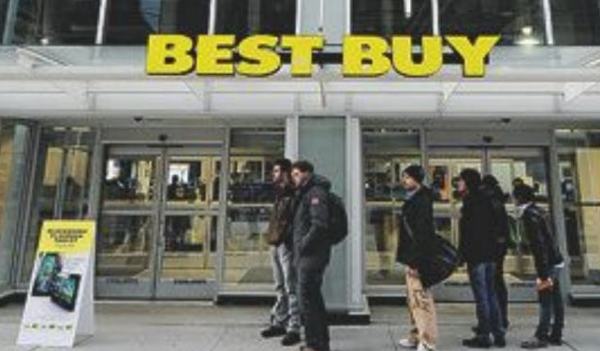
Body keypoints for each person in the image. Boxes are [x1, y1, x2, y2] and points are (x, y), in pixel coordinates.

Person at [513, 184, 565, 349]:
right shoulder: (540, 211)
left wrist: (542, 272)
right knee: (555, 299)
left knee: (545, 300)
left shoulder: (529, 215)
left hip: (547, 263)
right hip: (556, 260)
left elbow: (539, 244)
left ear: (519, 198)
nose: (513, 200)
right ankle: (556, 334)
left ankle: (541, 336)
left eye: (514, 197)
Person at [458, 169, 505, 348]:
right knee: (491, 294)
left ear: (468, 182)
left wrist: (462, 254)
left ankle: (484, 335)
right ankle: (499, 333)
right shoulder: (489, 199)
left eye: (461, 180)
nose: (458, 183)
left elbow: (468, 232)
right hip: (491, 254)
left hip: (476, 255)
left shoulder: (471, 201)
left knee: (481, 296)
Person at [396, 165, 438, 351]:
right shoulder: (414, 198)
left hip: (418, 259)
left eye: (407, 177)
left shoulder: (421, 201)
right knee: (412, 301)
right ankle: (416, 336)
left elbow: (421, 233)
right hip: (411, 257)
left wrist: (414, 261)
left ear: (416, 179)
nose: (404, 180)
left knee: (421, 300)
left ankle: (428, 341)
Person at [291, 160, 332, 351]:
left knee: (308, 302)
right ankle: (319, 343)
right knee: (313, 300)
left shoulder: (315, 193)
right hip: (309, 255)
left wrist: (302, 245)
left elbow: (319, 224)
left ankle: (315, 345)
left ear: (308, 173)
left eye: (297, 174)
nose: (294, 178)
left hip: (312, 255)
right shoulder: (307, 192)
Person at [261, 159, 301, 346]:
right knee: (279, 285)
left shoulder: (294, 193)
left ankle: (294, 327)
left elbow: (296, 221)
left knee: (290, 286)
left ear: (285, 173)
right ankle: (279, 322)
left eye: (277, 171)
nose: (273, 175)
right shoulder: (280, 192)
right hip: (276, 243)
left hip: (287, 244)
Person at [481, 175, 510, 330]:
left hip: (493, 248)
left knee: (493, 283)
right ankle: (501, 317)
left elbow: (490, 226)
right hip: (499, 248)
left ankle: (497, 319)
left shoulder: (491, 202)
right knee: (497, 282)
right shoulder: (498, 200)